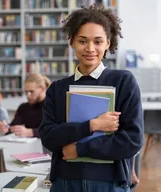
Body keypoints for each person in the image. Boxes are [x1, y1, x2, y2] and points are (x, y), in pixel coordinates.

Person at [38, 5, 144, 192]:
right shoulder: (57, 89)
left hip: (109, 183)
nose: (90, 48)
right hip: (65, 182)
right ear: (71, 42)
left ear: (108, 43)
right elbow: (48, 138)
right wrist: (92, 125)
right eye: (82, 41)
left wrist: (80, 149)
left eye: (97, 41)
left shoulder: (123, 82)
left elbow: (132, 140)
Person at [0, 73, 51, 138]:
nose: (28, 95)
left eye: (31, 91)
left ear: (43, 88)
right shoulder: (23, 107)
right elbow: (13, 127)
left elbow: (56, 131)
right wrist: (6, 128)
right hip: (29, 146)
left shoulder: (53, 106)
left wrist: (31, 132)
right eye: (26, 92)